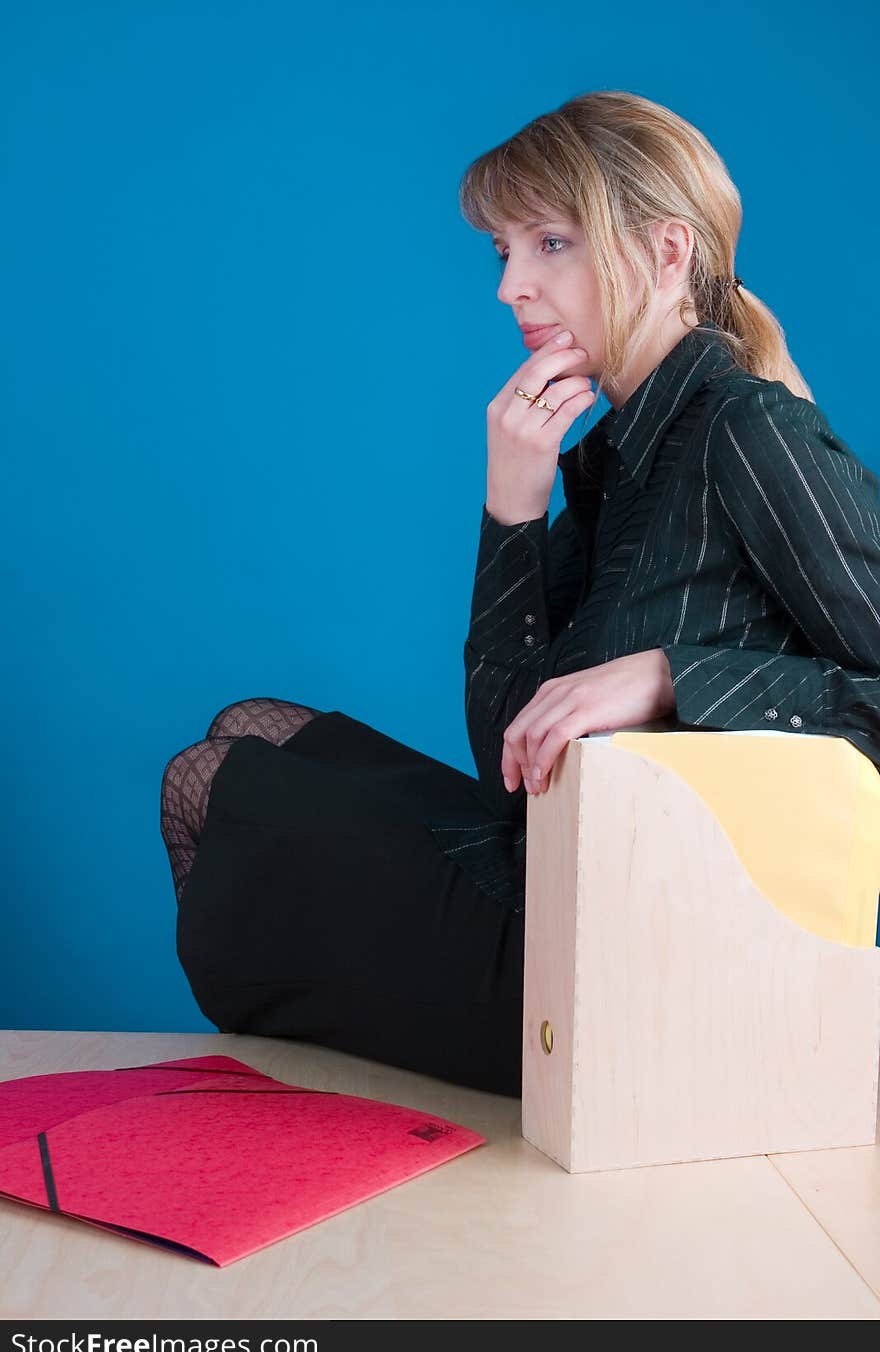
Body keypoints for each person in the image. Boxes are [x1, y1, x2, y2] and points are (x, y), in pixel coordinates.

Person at [161, 90, 880, 1098]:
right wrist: (512, 507)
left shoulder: (745, 430)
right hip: (552, 870)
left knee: (206, 775)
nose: (510, 286)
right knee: (249, 726)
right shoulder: (617, 459)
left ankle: (290, 1118)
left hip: (617, 968)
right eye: (502, 251)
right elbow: (506, 746)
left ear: (667, 253)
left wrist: (678, 675)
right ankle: (296, 1110)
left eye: (548, 242)